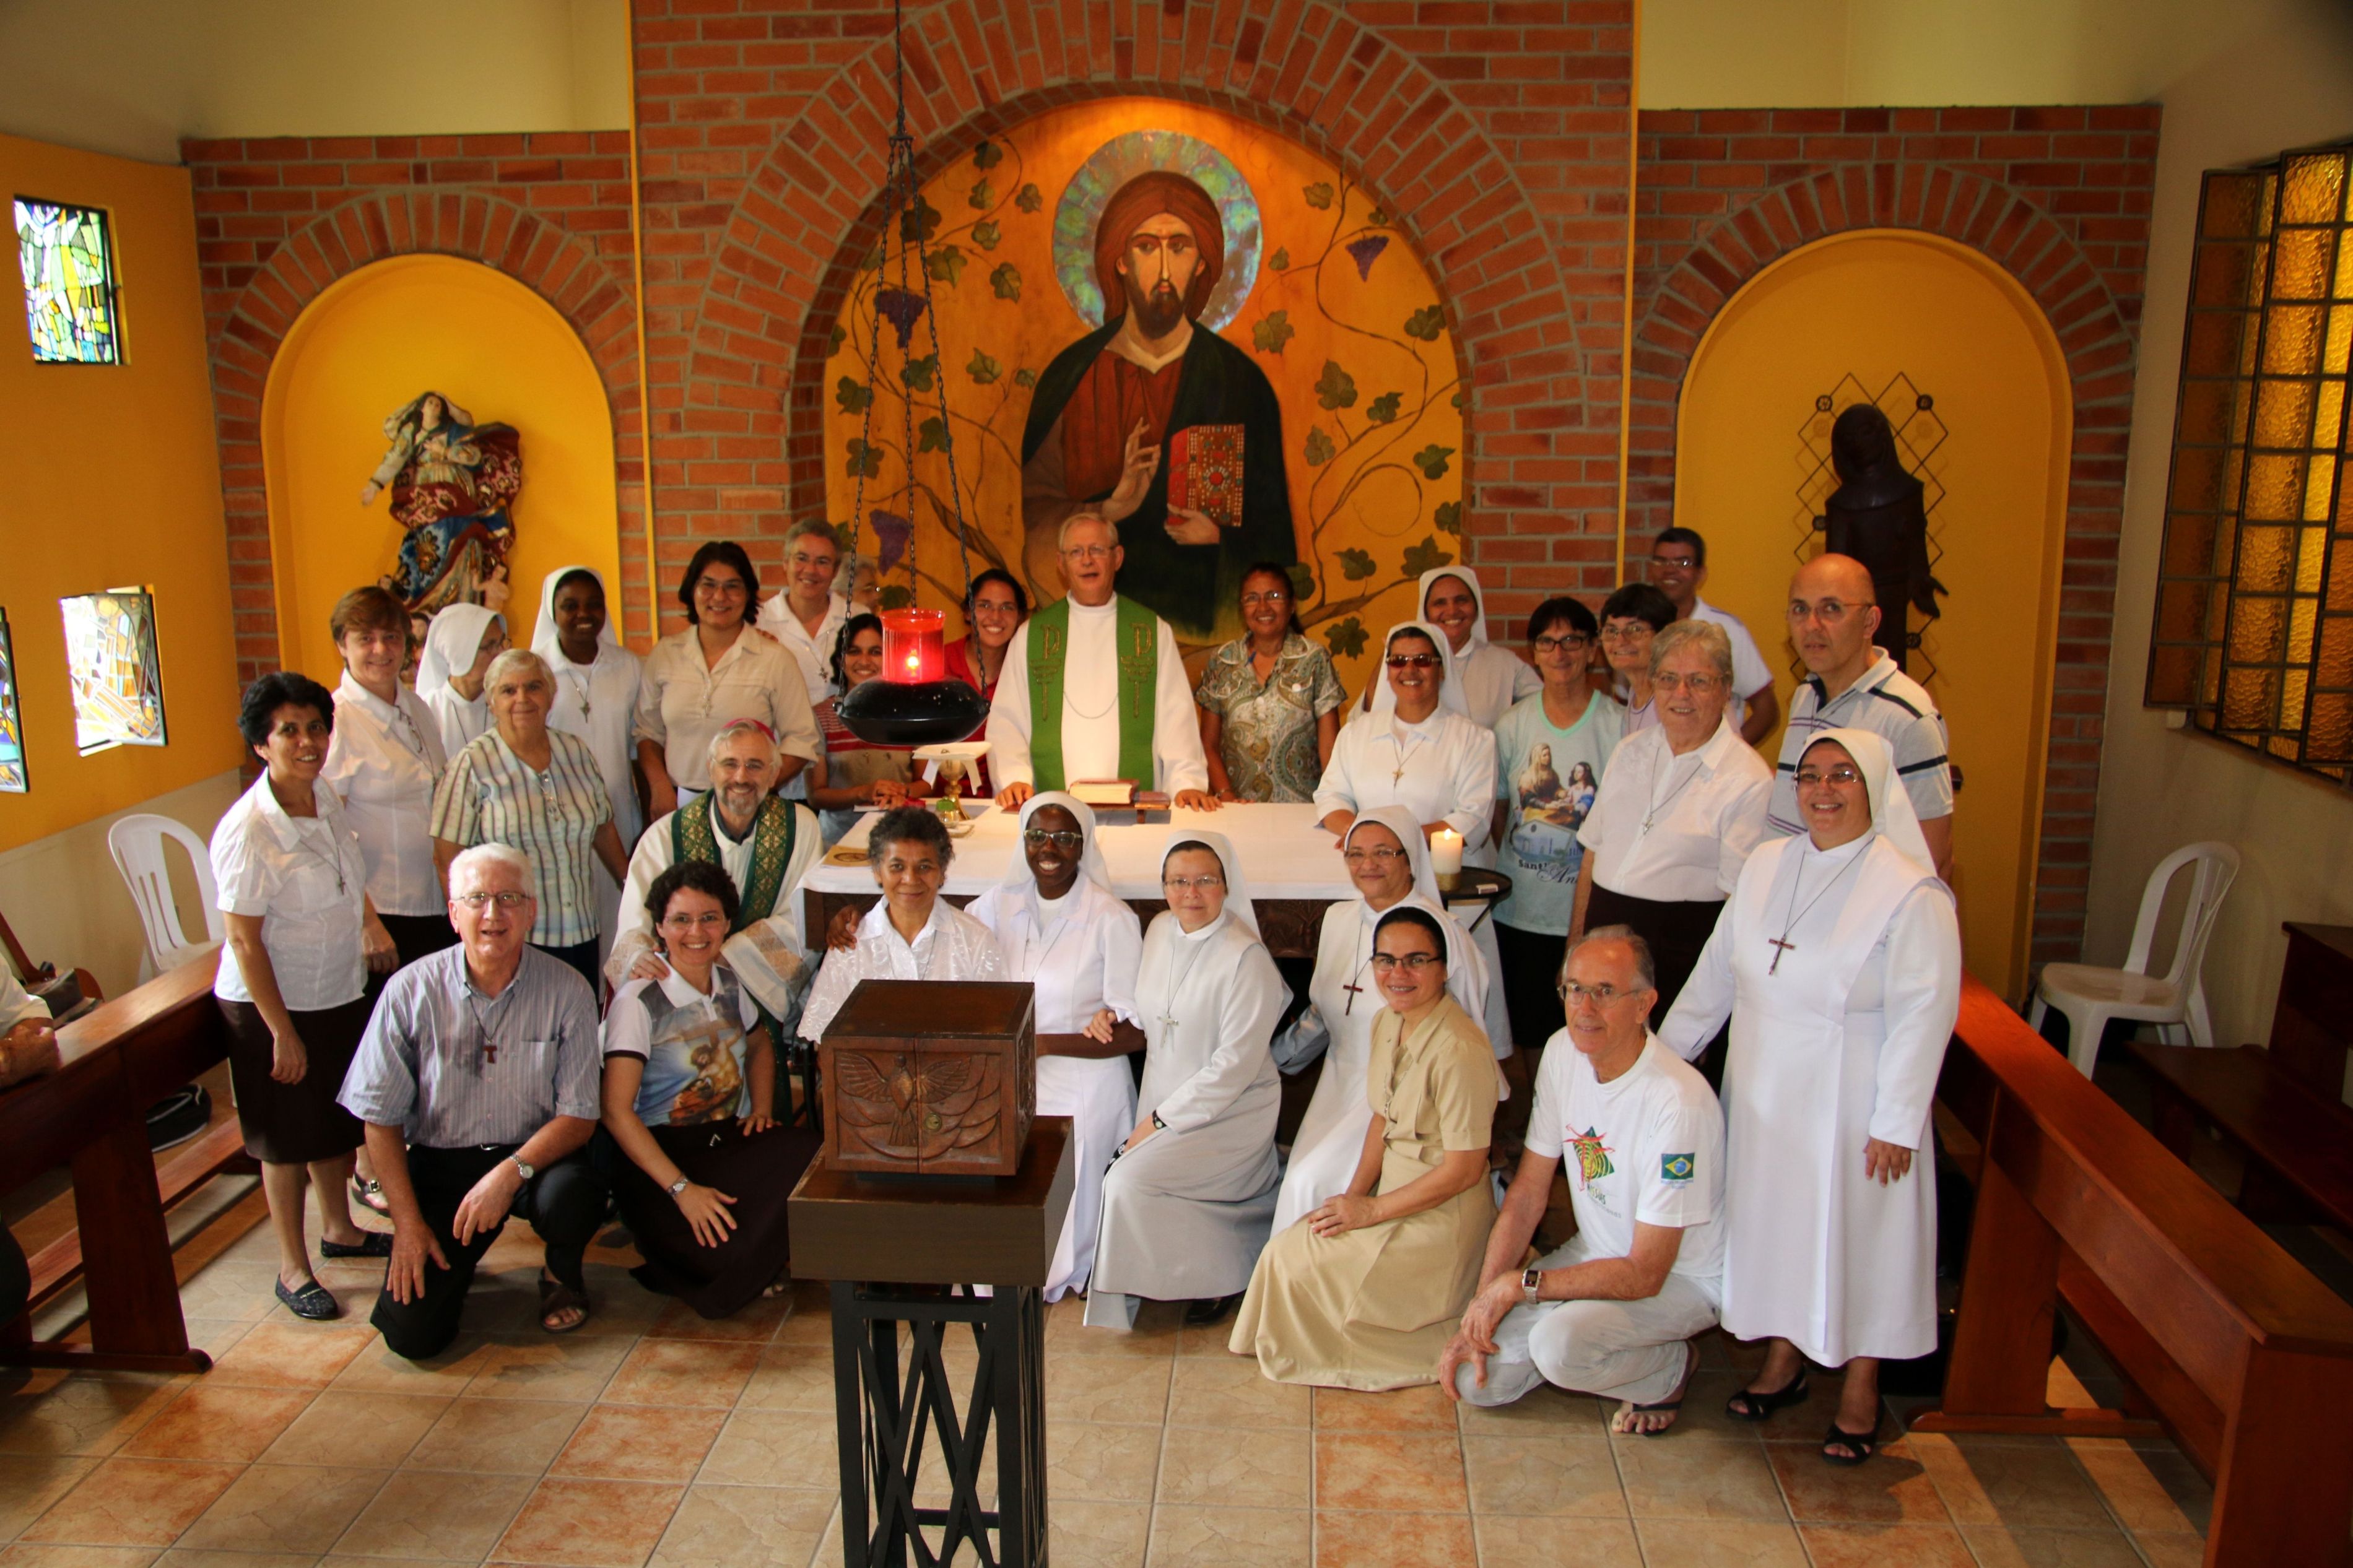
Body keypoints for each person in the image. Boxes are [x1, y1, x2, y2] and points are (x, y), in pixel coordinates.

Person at [1659, 729, 1960, 1465]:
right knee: (1777, 1227)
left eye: (1843, 776)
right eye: (1810, 776)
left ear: (1876, 787)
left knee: (1857, 1237)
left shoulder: (1910, 891)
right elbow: (1715, 976)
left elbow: (1926, 1013)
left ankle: (1861, 1386)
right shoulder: (1765, 864)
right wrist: (1661, 1062)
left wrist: (1896, 1119)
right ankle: (1783, 1359)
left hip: (1853, 1098)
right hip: (1763, 1087)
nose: (1823, 791)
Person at [1442, 928, 1723, 1435]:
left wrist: (1523, 1284)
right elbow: (1528, 1189)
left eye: (1605, 991)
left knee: (1559, 1348)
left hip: (1681, 1278)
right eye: (1574, 988)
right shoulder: (1561, 1052)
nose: (1585, 1007)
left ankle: (1670, 1369)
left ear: (1645, 1005)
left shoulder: (1678, 1102)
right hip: (1597, 1252)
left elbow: (1645, 1274)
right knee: (1475, 1381)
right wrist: (1482, 1305)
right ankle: (1603, 1337)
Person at [340, 844, 608, 1356]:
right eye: (478, 898)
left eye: (509, 898)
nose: (493, 913)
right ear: (453, 913)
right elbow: (378, 1120)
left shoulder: (568, 989)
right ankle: (452, 1264)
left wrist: (508, 1175)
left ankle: (561, 1272)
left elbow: (578, 1116)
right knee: (413, 1337)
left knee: (574, 1193)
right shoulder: (408, 991)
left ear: (531, 911)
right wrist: (408, 1226)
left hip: (535, 1160)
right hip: (443, 1164)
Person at [1018, 170, 1295, 643]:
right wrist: (1111, 507)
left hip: (1206, 635)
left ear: (1203, 263)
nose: (1165, 271)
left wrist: (1221, 538)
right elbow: (1037, 517)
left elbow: (1277, 537)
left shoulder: (1241, 382)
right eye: (1147, 247)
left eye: (1181, 247)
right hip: (1097, 631)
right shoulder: (1072, 377)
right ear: (1120, 260)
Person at [1232, 905, 1496, 1388]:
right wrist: (1353, 1197)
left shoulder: (1460, 1050)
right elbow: (1381, 1117)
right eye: (1385, 960)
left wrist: (1371, 1212)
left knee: (1303, 1264)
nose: (1398, 973)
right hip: (1391, 1199)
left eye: (1416, 960)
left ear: (1444, 967)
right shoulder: (1388, 1024)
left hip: (1441, 1219)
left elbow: (1463, 1171)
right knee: (1287, 1249)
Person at [211, 673, 402, 1320]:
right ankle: (293, 1267)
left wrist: (370, 921)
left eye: (316, 727)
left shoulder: (323, 797)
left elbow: (350, 881)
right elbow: (243, 940)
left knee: (330, 1122)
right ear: (261, 745)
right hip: (274, 1004)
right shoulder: (249, 829)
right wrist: (280, 1032)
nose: (307, 741)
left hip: (333, 988)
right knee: (284, 1138)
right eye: (288, 730)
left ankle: (340, 1229)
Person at [1086, 832, 1288, 1330]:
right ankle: (1176, 1276)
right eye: (1178, 881)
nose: (1191, 893)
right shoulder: (1158, 929)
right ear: (1163, 887)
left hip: (1231, 1108)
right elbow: (1144, 1000)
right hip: (1165, 1091)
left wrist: (1159, 1120)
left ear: (1226, 885)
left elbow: (1234, 1067)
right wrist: (1109, 1010)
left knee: (1130, 1179)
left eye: (1205, 881)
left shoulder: (1246, 959)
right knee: (1131, 1178)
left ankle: (1223, 1272)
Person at [599, 860, 817, 1319]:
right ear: (660, 926)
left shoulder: (730, 982)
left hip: (723, 1141)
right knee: (723, 1261)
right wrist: (682, 1190)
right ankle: (720, 1257)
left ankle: (756, 1255)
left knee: (811, 1156)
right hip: (659, 1159)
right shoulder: (640, 1001)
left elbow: (760, 1043)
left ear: (726, 923)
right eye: (681, 919)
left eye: (709, 918)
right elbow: (617, 1113)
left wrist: (759, 1107)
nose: (696, 931)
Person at [1271, 807, 1492, 1237]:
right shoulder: (1337, 919)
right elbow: (1324, 1012)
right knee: (1299, 1180)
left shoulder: (1440, 932)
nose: (1367, 865)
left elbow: (1469, 1025)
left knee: (1312, 1182)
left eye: (1382, 853)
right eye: (1355, 854)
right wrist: (1275, 1060)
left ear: (1410, 859)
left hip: (1400, 1097)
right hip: (1337, 1080)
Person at [963, 793, 1146, 1301]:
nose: (1050, 847)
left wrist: (1043, 1044)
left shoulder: (1112, 917)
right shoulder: (995, 906)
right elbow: (942, 933)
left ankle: (1070, 1263)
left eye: (1065, 838)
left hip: (1086, 1073)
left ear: (1083, 846)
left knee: (1069, 1145)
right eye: (1037, 835)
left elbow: (1135, 1031)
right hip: (1012, 1070)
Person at [1573, 620, 1772, 1070]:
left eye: (1699, 681)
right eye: (1668, 679)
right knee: (1595, 1072)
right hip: (1602, 944)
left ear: (1725, 689)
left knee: (1660, 1083)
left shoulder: (1748, 779)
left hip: (1676, 958)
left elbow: (1737, 907)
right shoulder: (1630, 750)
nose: (1681, 693)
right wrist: (1575, 951)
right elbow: (1593, 853)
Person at [609, 721, 825, 1041]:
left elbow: (804, 916)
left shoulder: (800, 827)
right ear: (711, 769)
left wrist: (730, 957)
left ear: (773, 774)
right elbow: (635, 922)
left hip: (759, 990)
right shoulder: (665, 836)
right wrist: (641, 957)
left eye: (755, 766)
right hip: (679, 996)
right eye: (730, 764)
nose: (741, 777)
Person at [431, 650, 630, 992]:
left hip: (581, 930)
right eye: (508, 690)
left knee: (576, 1026)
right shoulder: (472, 765)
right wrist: (471, 928)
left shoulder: (576, 753)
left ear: (551, 696)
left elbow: (602, 827)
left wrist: (631, 885)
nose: (522, 698)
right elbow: (446, 858)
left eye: (533, 687)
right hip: (513, 938)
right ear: (491, 702)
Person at [986, 513, 1215, 810]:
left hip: (1135, 811)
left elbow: (1177, 716)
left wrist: (1186, 783)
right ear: (1061, 563)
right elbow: (1007, 720)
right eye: (1076, 552)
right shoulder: (1033, 636)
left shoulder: (1150, 632)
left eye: (1097, 550)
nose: (1087, 560)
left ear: (1117, 558)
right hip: (1053, 814)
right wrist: (1014, 777)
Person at [1490, 597, 1624, 1057]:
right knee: (1527, 1025)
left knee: (1587, 1028)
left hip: (1588, 909)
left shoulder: (1617, 725)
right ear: (1534, 653)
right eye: (1547, 642)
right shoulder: (1512, 725)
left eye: (1572, 640)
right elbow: (1501, 814)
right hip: (1521, 906)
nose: (1560, 652)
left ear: (1593, 650)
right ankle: (1533, 1121)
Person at [1772, 553, 1955, 880]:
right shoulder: (1806, 694)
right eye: (1800, 609)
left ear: (1870, 622)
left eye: (1831, 609)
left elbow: (1930, 860)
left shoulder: (1908, 716)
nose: (1812, 625)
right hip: (1790, 899)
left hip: (1850, 914)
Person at [635, 541, 820, 820]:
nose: (719, 597)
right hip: (678, 804)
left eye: (732, 586)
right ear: (692, 590)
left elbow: (802, 740)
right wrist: (660, 787)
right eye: (708, 585)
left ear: (747, 595)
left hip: (750, 808)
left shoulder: (774, 659)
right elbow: (647, 733)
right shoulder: (665, 654)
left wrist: (758, 787)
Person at [322, 586, 453, 966]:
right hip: (385, 912)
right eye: (366, 639)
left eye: (391, 638)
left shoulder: (417, 707)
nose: (381, 650)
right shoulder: (335, 722)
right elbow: (330, 835)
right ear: (342, 646)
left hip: (434, 900)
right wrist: (367, 922)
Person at [797, 806, 1004, 1044]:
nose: (910, 879)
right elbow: (825, 1042)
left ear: (943, 873)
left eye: (924, 867)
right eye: (897, 867)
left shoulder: (974, 941)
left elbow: (996, 1035)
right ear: (877, 871)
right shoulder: (852, 943)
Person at [531, 566, 645, 964]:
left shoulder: (628, 665)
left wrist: (647, 822)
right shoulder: (535, 669)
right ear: (552, 612)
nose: (584, 614)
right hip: (557, 821)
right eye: (570, 606)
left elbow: (640, 744)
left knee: (620, 920)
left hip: (619, 812)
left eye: (594, 605)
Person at [1314, 623, 1496, 851]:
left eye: (1422, 660)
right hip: (1368, 869)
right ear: (1388, 672)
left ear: (1441, 670)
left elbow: (1473, 818)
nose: (1409, 670)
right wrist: (1358, 833)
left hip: (1441, 875)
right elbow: (1331, 796)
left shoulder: (1475, 740)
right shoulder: (1355, 733)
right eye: (1398, 661)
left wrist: (1396, 840)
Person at [1196, 561, 1344, 803]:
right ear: (1242, 607)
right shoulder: (1223, 661)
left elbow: (1330, 748)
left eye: (1274, 596)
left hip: (1302, 810)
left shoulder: (1314, 659)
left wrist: (1335, 803)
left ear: (1292, 604)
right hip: (1238, 810)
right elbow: (1208, 744)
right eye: (1252, 598)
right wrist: (1227, 796)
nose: (1263, 607)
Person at [1649, 527, 1779, 745]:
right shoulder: (1640, 627)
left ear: (1701, 574)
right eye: (1661, 562)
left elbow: (1766, 710)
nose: (1669, 571)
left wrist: (1728, 757)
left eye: (1682, 563)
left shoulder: (1726, 629)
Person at [807, 614, 924, 844]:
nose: (864, 661)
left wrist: (899, 793)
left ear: (891, 658)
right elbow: (816, 795)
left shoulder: (909, 714)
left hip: (901, 837)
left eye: (875, 652)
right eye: (854, 651)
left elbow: (926, 782)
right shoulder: (821, 715)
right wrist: (863, 792)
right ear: (841, 660)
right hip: (838, 842)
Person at [1376, 567, 1539, 729]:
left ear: (1476, 609)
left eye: (1461, 600)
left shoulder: (1505, 664)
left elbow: (1545, 709)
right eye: (1440, 603)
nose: (1452, 610)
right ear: (1426, 614)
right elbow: (1366, 716)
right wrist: (1388, 653)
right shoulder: (1402, 666)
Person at [936, 568, 1027, 798]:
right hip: (943, 801)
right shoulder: (939, 664)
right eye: (985, 606)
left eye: (1007, 607)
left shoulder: (1029, 669)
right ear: (968, 612)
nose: (995, 617)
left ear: (1021, 617)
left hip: (1011, 800)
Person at [752, 518, 850, 712]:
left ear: (835, 571)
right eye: (802, 559)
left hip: (844, 738)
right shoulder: (757, 622)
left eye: (822, 562)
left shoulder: (856, 617)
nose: (811, 570)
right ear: (785, 563)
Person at [414, 603, 508, 760]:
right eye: (490, 646)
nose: (501, 653)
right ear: (459, 653)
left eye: (501, 643)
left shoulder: (510, 700)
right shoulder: (427, 711)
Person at [1598, 583, 1676, 737]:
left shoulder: (1677, 700)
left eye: (1634, 630)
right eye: (1611, 630)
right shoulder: (1634, 695)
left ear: (1663, 636)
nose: (1620, 641)